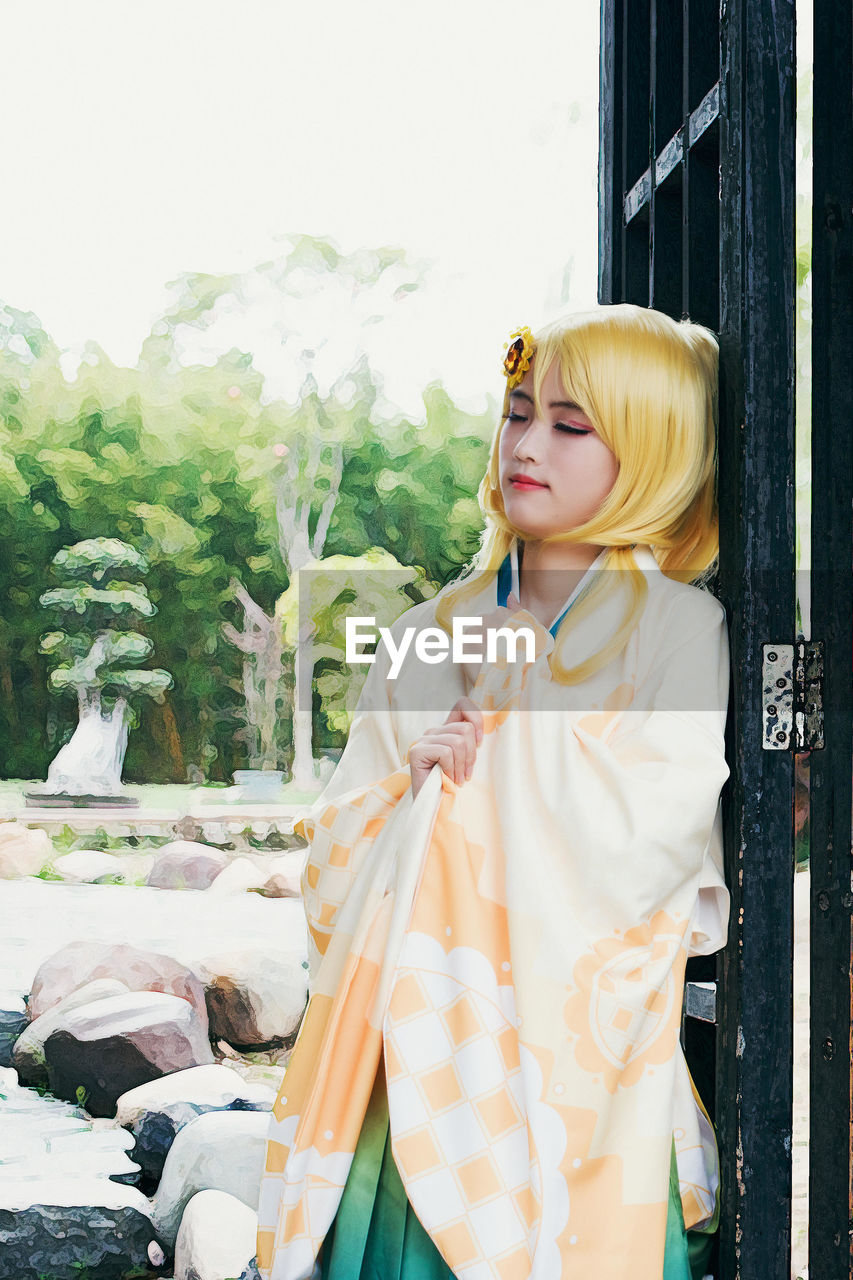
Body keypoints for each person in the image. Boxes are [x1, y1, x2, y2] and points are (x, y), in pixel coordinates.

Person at [257, 304, 731, 1280]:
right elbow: (336, 851)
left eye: (570, 425)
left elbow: (658, 838)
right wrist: (411, 786)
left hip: (573, 1075)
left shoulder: (679, 629)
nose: (526, 444)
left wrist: (502, 756)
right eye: (517, 413)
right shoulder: (430, 629)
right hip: (416, 1047)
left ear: (650, 455)